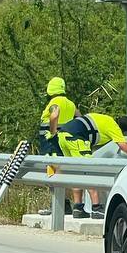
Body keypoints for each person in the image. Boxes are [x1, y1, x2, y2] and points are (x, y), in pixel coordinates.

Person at [57, 112, 127, 218]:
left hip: (62, 135)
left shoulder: (106, 119)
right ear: (123, 129)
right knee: (89, 172)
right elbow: (126, 149)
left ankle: (78, 208)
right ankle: (96, 208)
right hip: (76, 138)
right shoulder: (114, 127)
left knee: (77, 172)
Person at [38, 77, 96, 219]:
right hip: (66, 141)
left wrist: (52, 132)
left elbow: (55, 114)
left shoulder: (54, 102)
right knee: (65, 172)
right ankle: (68, 205)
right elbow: (80, 117)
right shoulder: (70, 104)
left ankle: (60, 205)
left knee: (53, 172)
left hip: (51, 143)